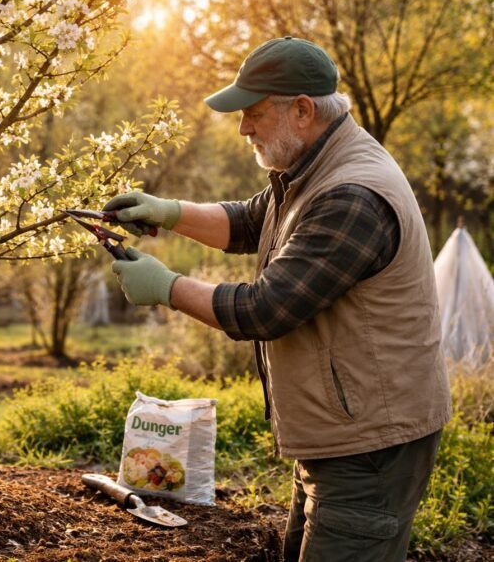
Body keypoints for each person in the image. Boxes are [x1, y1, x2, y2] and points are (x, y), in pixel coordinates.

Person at [103, 36, 452, 562]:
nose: (244, 128)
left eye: (254, 114)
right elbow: (251, 220)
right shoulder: (314, 167)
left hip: (371, 447)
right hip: (339, 434)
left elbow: (266, 309)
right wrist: (169, 211)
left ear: (303, 111)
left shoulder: (351, 195)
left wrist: (167, 288)